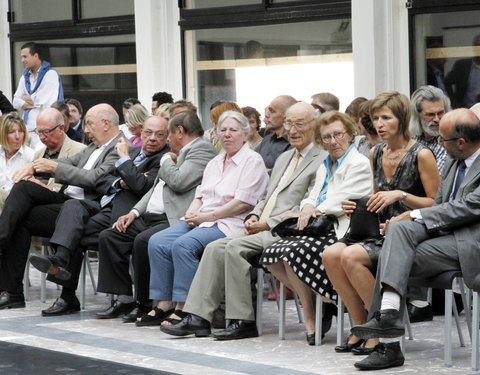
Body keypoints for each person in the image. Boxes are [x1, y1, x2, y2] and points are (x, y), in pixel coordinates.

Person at [160, 101, 327, 340]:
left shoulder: (321, 159)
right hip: (260, 223)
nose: (292, 130)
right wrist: (255, 215)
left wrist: (268, 222)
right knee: (215, 247)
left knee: (233, 247)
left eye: (299, 124)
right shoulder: (286, 157)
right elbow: (266, 196)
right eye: (289, 123)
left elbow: (308, 204)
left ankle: (242, 320)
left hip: (287, 229)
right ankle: (198, 317)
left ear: (314, 125)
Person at [351, 108, 480, 370]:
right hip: (441, 234)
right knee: (397, 233)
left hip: (469, 241)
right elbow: (441, 204)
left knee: (393, 256)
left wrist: (413, 214)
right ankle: (388, 316)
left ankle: (388, 344)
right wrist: (408, 219)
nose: (438, 146)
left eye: (443, 140)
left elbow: (466, 208)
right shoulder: (455, 161)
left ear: (461, 142)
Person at [322, 91, 439, 357]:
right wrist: (355, 207)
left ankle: (378, 330)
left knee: (350, 255)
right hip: (380, 231)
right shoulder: (376, 153)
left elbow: (436, 204)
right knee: (330, 254)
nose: (379, 125)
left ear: (402, 119)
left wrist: (401, 195)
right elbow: (376, 200)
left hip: (411, 233)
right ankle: (361, 323)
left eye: (386, 118)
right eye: (375, 119)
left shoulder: (422, 154)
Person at [29, 116, 170, 316]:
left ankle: (78, 292)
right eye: (148, 133)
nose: (153, 138)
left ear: (168, 137)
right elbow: (103, 180)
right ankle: (60, 262)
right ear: (141, 133)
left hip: (127, 213)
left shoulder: (163, 158)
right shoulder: (134, 152)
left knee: (73, 236)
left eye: (160, 134)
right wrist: (120, 182)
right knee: (72, 207)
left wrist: (125, 164)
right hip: (104, 204)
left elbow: (141, 186)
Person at [142, 111, 268, 326]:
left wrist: (204, 217)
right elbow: (201, 195)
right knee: (158, 241)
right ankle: (164, 303)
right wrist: (191, 214)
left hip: (230, 223)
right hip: (204, 218)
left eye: (233, 130)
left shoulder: (252, 161)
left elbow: (243, 203)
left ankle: (186, 307)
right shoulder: (215, 161)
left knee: (184, 245)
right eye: (223, 130)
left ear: (245, 135)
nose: (227, 134)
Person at [261, 111, 372, 344]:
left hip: (341, 229)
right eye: (327, 138)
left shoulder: (359, 163)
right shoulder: (325, 163)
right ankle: (323, 298)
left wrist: (316, 209)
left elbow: (344, 198)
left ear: (351, 135)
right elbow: (312, 195)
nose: (333, 142)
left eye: (338, 135)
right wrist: (307, 206)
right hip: (317, 226)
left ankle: (328, 302)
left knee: (292, 252)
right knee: (270, 254)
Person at [92, 111, 216, 321]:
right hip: (148, 214)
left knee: (143, 241)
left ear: (178, 131)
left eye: (164, 134)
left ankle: (145, 302)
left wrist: (166, 159)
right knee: (111, 235)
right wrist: (133, 212)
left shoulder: (198, 150)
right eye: (148, 133)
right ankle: (124, 298)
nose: (163, 139)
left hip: (171, 217)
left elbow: (179, 181)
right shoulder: (177, 152)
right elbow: (155, 188)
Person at [0, 104, 123, 309]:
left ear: (106, 123)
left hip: (92, 207)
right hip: (66, 202)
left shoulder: (119, 147)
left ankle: (66, 296)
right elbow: (69, 162)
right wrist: (36, 166)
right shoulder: (93, 147)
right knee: (22, 206)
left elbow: (96, 178)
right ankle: (12, 292)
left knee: (68, 208)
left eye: (90, 124)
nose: (86, 130)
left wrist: (53, 167)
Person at [13, 42, 64, 149]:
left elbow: (46, 101)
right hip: (26, 129)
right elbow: (15, 101)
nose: (22, 60)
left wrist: (28, 98)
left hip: (44, 131)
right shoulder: (25, 76)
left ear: (36, 56)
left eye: (25, 56)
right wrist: (32, 101)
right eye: (21, 57)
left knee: (39, 160)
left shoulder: (50, 74)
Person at [410, 85, 451, 174]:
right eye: (430, 115)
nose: (436, 119)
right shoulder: (412, 140)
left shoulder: (451, 142)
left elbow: (437, 181)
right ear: (417, 116)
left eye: (440, 113)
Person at [0, 112, 34, 209]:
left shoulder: (30, 155)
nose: (17, 136)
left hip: (17, 204)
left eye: (21, 131)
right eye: (12, 132)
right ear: (3, 134)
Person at [254, 95, 296, 171]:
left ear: (287, 116)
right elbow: (247, 164)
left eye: (272, 111)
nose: (266, 115)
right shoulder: (267, 140)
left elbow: (281, 174)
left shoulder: (294, 143)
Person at [445, 34, 480, 108]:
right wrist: (453, 101)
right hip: (467, 110)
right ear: (473, 48)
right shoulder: (462, 66)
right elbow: (447, 82)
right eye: (477, 45)